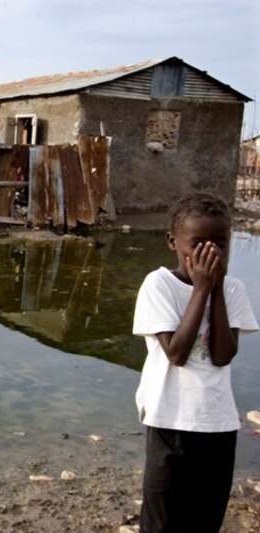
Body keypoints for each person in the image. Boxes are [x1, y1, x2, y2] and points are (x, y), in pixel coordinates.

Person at [132, 192, 258, 532]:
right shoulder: (158, 285)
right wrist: (201, 289)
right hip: (169, 420)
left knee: (205, 518)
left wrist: (215, 289)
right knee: (161, 520)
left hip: (217, 424)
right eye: (198, 244)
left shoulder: (232, 290)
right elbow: (176, 353)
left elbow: (222, 355)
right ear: (173, 242)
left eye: (220, 243)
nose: (210, 253)